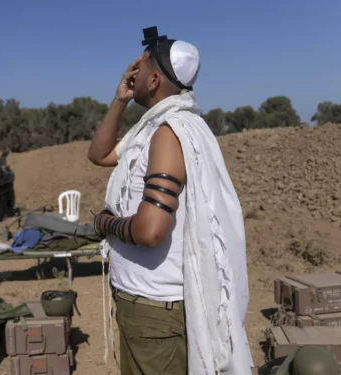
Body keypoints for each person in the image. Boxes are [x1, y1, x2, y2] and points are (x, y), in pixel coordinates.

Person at [87, 27, 252, 375]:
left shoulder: (167, 134)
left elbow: (150, 231)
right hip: (145, 307)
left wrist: (106, 224)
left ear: (154, 80)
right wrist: (120, 99)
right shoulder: (152, 130)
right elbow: (99, 154)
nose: (133, 72)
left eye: (141, 67)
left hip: (153, 312)